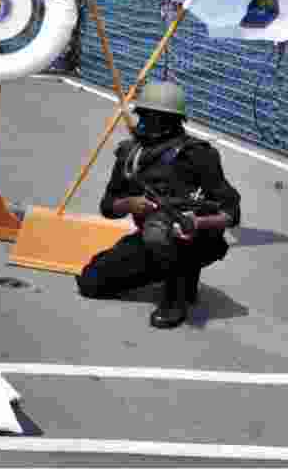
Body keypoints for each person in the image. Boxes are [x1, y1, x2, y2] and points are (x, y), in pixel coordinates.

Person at [76, 81, 241, 329]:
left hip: (196, 240)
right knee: (90, 283)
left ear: (171, 121)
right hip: (152, 236)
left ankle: (176, 297)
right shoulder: (130, 155)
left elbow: (232, 213)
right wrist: (129, 204)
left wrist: (198, 222)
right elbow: (108, 207)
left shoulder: (198, 155)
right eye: (142, 115)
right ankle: (179, 274)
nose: (143, 123)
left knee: (168, 240)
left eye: (152, 118)